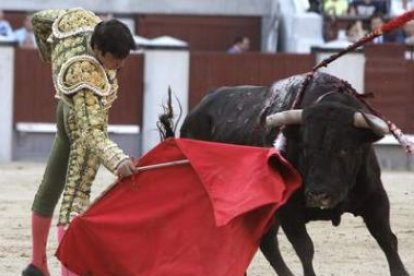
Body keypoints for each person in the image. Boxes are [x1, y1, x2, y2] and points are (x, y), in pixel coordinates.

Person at [22, 8, 137, 276]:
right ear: (97, 49)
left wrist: (48, 56)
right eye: (115, 58)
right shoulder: (86, 76)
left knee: (50, 187)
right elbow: (92, 132)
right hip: (79, 122)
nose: (120, 64)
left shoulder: (80, 22)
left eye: (124, 58)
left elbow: (39, 20)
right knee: (75, 199)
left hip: (63, 108)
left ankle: (37, 262)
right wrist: (118, 160)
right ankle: (69, 272)